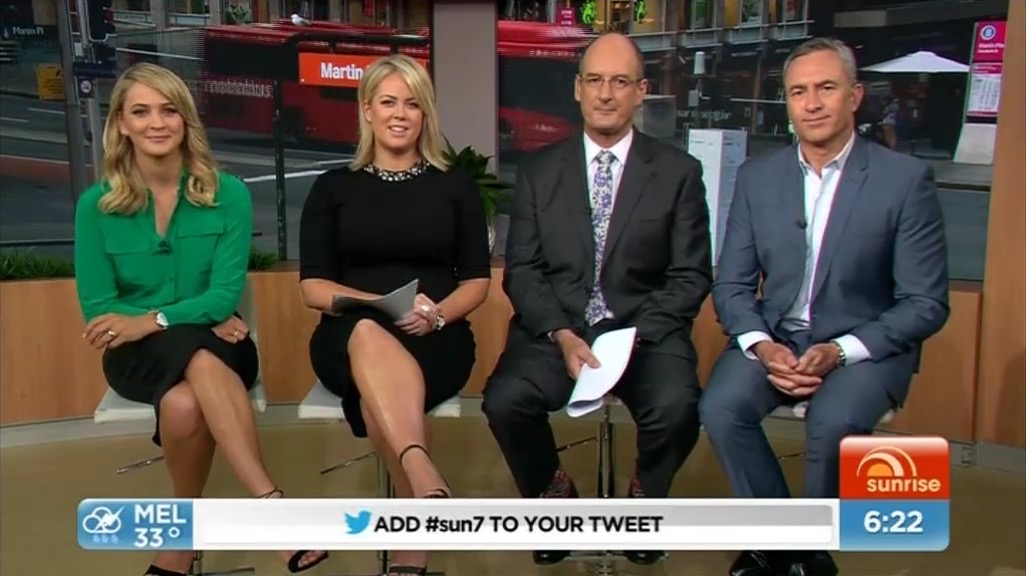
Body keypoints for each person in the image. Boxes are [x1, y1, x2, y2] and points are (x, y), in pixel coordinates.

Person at [699, 38, 949, 576]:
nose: (811, 103)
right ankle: (785, 544)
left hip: (866, 344)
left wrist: (840, 351)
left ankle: (809, 552)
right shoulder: (758, 177)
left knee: (832, 422)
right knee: (720, 407)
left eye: (826, 88)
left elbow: (926, 302)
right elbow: (733, 286)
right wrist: (761, 346)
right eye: (798, 92)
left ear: (854, 96)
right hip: (778, 337)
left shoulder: (904, 181)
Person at [73, 63, 328, 576]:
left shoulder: (228, 194)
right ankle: (272, 508)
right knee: (195, 357)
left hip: (222, 346)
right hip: (139, 356)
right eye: (141, 112)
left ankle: (181, 539)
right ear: (121, 123)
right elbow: (101, 314)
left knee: (186, 400)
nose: (156, 123)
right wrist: (192, 319)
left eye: (169, 110)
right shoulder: (95, 206)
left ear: (186, 120)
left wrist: (152, 318)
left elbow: (223, 296)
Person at [482, 32, 712, 567]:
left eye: (620, 82)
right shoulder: (539, 171)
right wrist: (562, 334)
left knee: (679, 406)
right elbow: (524, 270)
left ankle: (644, 501)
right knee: (505, 401)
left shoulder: (678, 173)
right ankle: (554, 496)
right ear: (577, 89)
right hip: (558, 330)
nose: (606, 94)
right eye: (595, 81)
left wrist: (633, 338)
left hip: (646, 331)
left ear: (641, 92)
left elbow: (690, 275)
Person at [298, 54, 491, 576]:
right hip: (348, 332)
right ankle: (420, 479)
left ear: (425, 113)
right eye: (388, 102)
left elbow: (477, 281)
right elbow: (313, 288)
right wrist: (376, 302)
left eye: (412, 104)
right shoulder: (333, 188)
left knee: (377, 385)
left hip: (437, 335)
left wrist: (438, 316)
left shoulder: (455, 186)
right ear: (367, 110)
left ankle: (413, 514)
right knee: (366, 334)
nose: (399, 114)